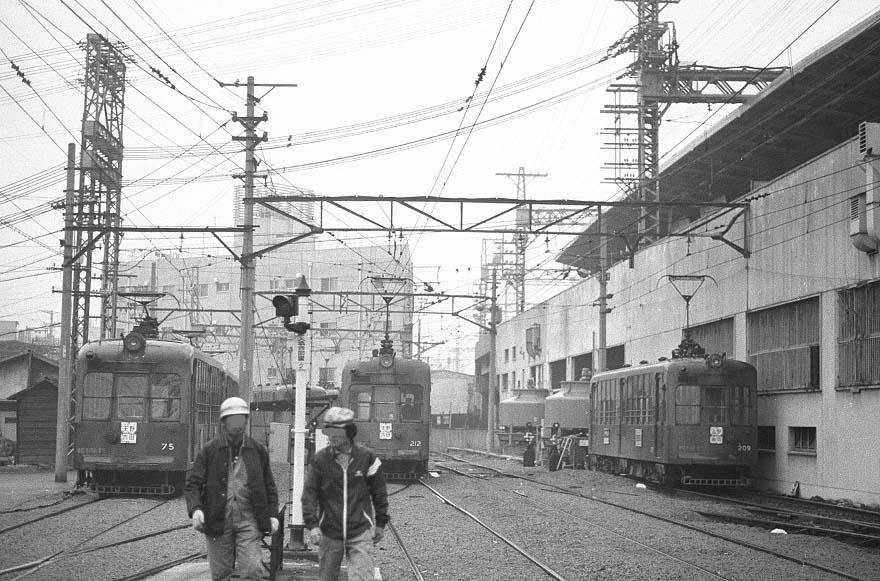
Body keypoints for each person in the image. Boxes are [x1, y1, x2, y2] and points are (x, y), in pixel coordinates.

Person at [184, 396, 280, 581]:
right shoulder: (210, 450)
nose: (237, 424)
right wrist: (195, 509)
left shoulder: (257, 450)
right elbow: (193, 484)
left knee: (253, 570)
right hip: (217, 518)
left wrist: (273, 514)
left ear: (246, 421)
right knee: (221, 574)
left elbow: (269, 486)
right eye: (232, 419)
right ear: (224, 422)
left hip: (249, 518)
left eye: (241, 419)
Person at [302, 406, 389, 581]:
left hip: (360, 530)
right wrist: (312, 525)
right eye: (329, 430)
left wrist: (380, 523)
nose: (331, 435)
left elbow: (379, 493)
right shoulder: (320, 460)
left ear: (348, 432)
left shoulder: (367, 458)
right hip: (329, 531)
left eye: (336, 431)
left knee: (362, 577)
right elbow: (309, 493)